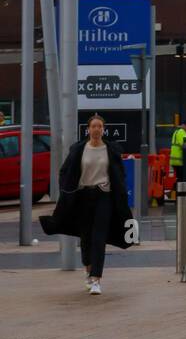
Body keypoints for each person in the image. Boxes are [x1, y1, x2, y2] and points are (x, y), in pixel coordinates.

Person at [40, 112, 134, 293]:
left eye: (100, 126)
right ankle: (88, 270)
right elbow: (64, 171)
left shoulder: (111, 149)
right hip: (83, 196)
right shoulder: (78, 149)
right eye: (94, 126)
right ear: (88, 129)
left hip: (104, 196)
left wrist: (119, 193)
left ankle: (97, 279)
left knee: (100, 237)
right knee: (86, 237)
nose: (97, 129)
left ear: (103, 129)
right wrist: (66, 191)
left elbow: (119, 174)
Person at [170, 117, 186, 188]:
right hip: (179, 160)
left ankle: (173, 193)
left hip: (174, 160)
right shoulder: (182, 133)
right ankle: (175, 193)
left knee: (180, 178)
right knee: (182, 179)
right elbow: (184, 145)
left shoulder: (176, 131)